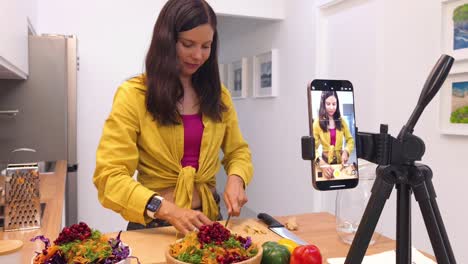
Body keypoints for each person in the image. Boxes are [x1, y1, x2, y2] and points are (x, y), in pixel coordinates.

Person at [93, 0, 253, 234]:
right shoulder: (133, 95)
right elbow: (109, 177)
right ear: (166, 41)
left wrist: (236, 179)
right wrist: (168, 210)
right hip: (155, 226)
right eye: (188, 44)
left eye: (206, 46)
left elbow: (238, 151)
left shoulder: (220, 96)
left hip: (209, 219)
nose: (198, 55)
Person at [313, 91, 354, 179]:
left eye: (334, 104)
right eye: (328, 104)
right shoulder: (317, 123)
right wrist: (321, 164)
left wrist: (346, 151)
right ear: (323, 104)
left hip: (340, 164)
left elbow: (350, 140)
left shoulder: (342, 121)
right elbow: (312, 147)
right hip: (324, 163)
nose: (331, 107)